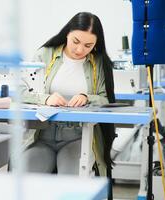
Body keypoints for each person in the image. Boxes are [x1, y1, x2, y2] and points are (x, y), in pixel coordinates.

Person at [22, 12, 116, 177]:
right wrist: (46, 99)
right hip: (41, 135)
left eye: (88, 45)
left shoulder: (97, 62)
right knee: (25, 177)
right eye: (76, 41)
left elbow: (104, 98)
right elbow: (21, 91)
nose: (80, 50)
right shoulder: (44, 54)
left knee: (71, 185)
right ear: (67, 33)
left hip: (78, 137)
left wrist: (87, 98)